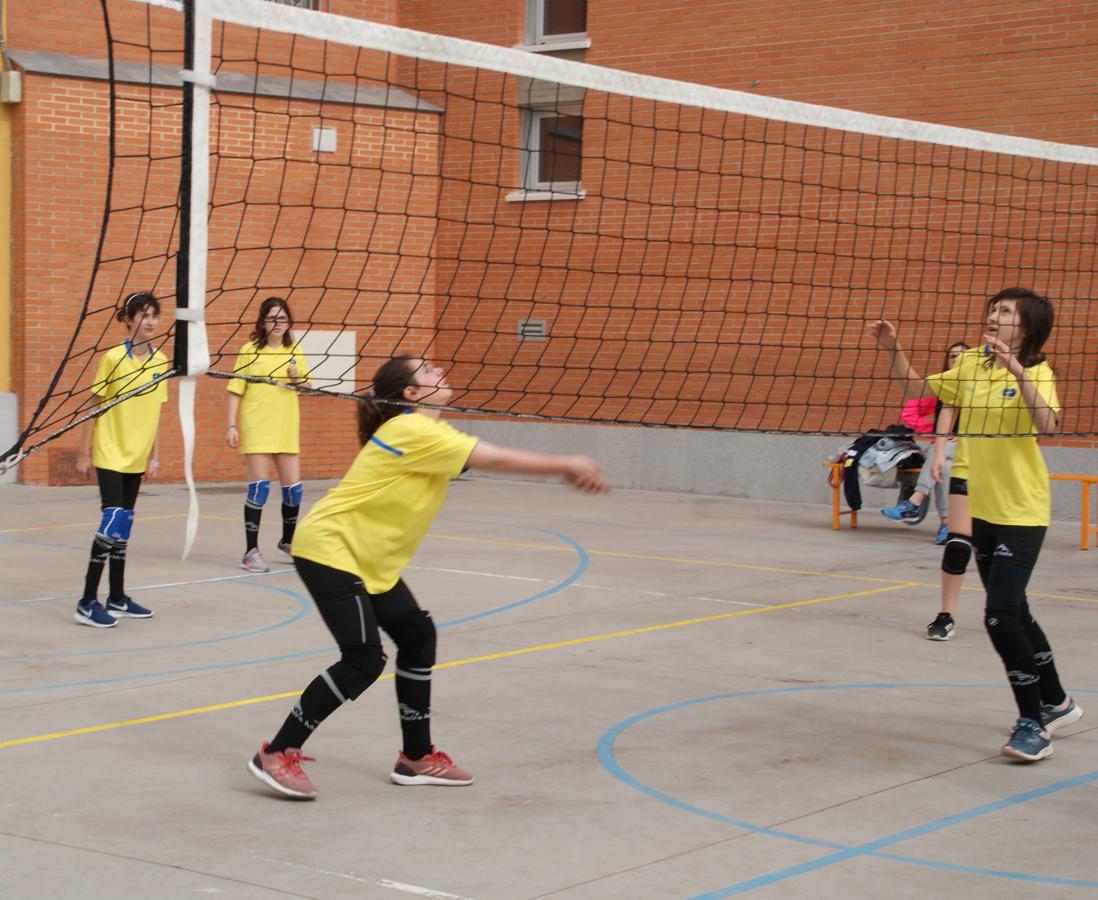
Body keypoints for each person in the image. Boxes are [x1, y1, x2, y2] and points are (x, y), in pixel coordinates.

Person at [247, 355, 611, 799]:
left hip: (369, 561)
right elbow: (492, 457)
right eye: (426, 370)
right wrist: (565, 464)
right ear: (411, 394)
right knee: (362, 660)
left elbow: (471, 458)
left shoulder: (428, 433)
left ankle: (415, 758)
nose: (438, 369)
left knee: (417, 637)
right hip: (329, 550)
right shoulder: (410, 430)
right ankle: (277, 751)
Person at [868, 288, 1081, 761]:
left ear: (1025, 327)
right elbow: (916, 390)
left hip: (1023, 511)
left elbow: (1046, 424)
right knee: (1017, 609)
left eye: (1005, 311)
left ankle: (1034, 722)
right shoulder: (970, 367)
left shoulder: (1039, 373)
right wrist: (892, 349)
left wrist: (1018, 372)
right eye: (992, 309)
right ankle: (1058, 701)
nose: (992, 315)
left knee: (999, 613)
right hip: (982, 509)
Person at [73, 292, 169, 627]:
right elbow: (93, 405)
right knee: (111, 521)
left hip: (137, 457)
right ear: (128, 319)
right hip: (110, 451)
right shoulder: (113, 358)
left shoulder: (161, 360)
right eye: (143, 315)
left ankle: (116, 597)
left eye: (154, 315)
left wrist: (154, 456)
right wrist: (84, 451)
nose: (151, 321)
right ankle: (87, 601)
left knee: (123, 528)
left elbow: (156, 410)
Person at [226, 297, 312, 573]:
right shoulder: (249, 350)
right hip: (257, 426)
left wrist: (297, 378)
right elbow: (235, 389)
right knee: (259, 489)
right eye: (272, 318)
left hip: (286, 426)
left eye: (283, 318)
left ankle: (287, 542)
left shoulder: (294, 351)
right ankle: (251, 552)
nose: (278, 323)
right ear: (263, 322)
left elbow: (306, 387)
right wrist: (231, 425)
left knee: (293, 490)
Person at [882, 341, 970, 545]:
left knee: (941, 451)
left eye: (962, 356)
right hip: (944, 452)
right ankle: (946, 525)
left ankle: (915, 501)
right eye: (952, 356)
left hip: (974, 449)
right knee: (945, 466)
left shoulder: (979, 389)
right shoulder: (942, 389)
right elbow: (909, 412)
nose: (956, 359)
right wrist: (934, 432)